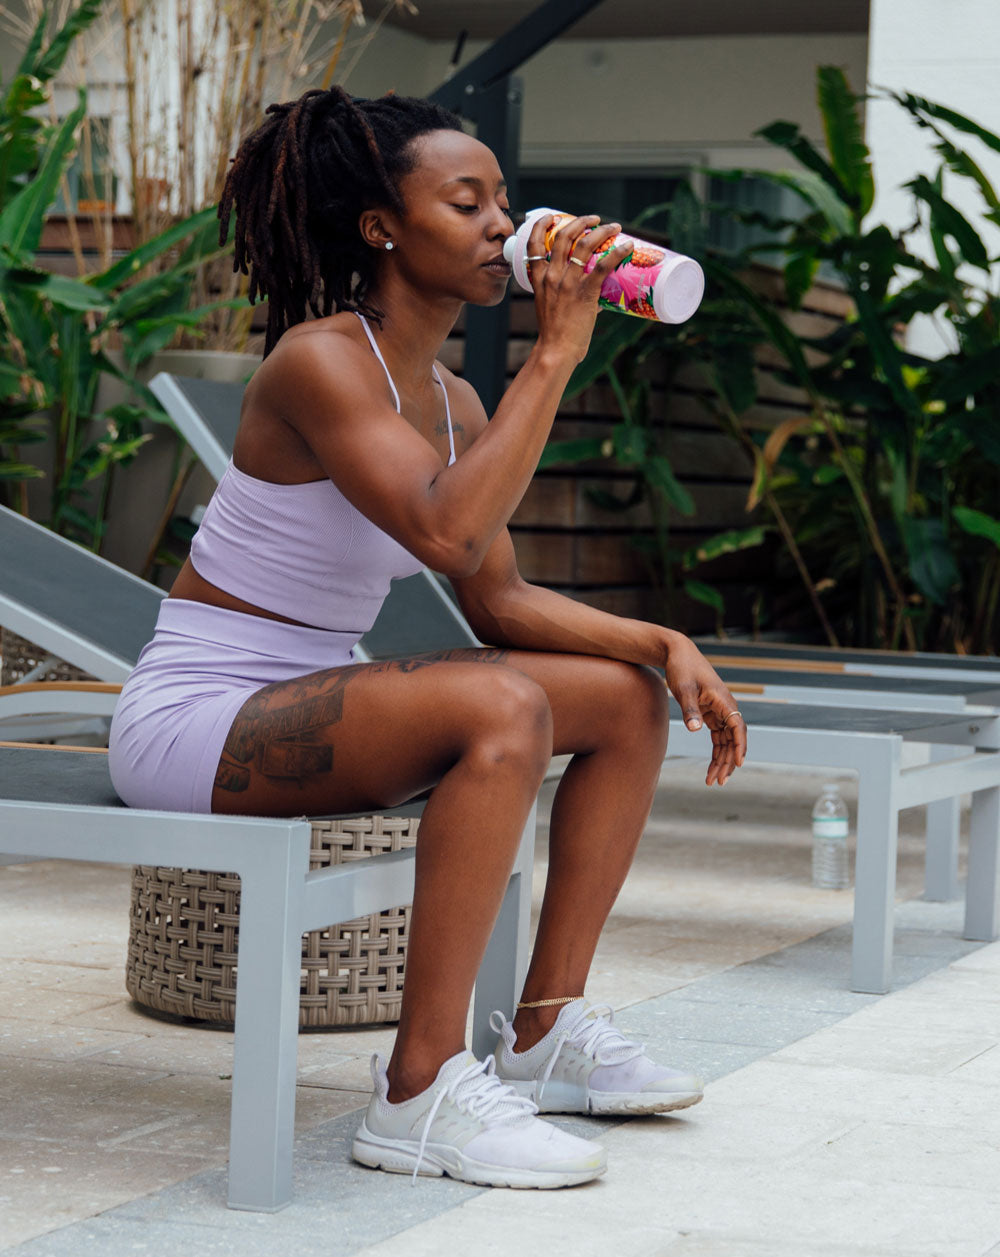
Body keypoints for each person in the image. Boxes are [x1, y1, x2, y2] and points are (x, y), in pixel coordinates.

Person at [108, 87, 747, 1190]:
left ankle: (544, 1037)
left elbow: (495, 600)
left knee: (623, 698)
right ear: (381, 229)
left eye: (504, 200)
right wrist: (556, 352)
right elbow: (451, 534)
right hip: (197, 719)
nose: (504, 224)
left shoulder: (450, 394)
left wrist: (657, 640)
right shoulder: (321, 361)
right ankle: (418, 1094)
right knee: (501, 706)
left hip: (313, 692)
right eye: (468, 202)